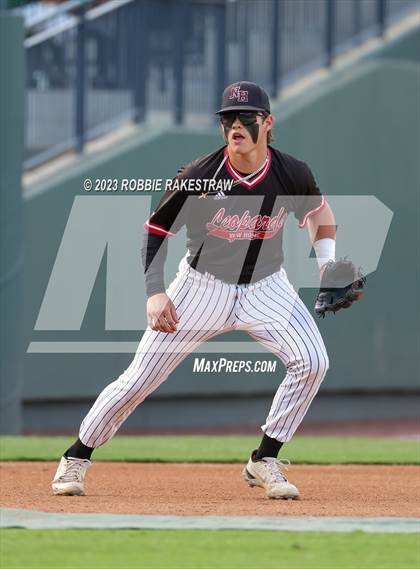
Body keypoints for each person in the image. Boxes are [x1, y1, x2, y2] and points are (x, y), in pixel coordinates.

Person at [52, 81, 337, 500]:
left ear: (268, 122)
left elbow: (319, 213)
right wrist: (154, 292)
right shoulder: (199, 176)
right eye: (227, 118)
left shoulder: (290, 171)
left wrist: (328, 263)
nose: (235, 125)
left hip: (266, 286)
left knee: (313, 361)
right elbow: (155, 230)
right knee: (138, 381)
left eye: (246, 117)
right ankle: (77, 456)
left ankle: (265, 458)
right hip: (201, 288)